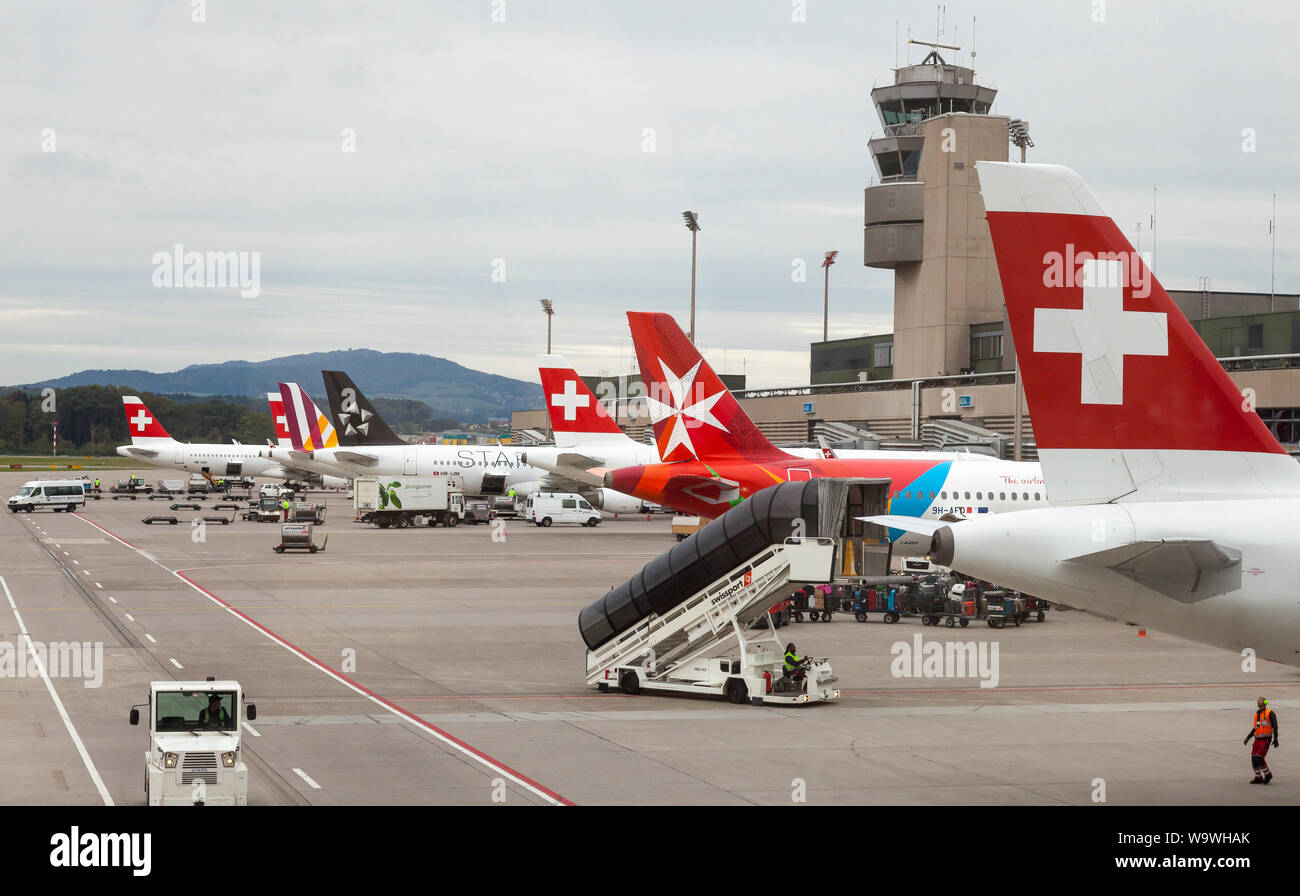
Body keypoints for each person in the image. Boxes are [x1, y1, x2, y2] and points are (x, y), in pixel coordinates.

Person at [1244, 696, 1279, 783]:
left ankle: (1268, 775)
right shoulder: (1257, 714)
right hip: (1257, 739)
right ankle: (1258, 777)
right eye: (1258, 700)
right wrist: (1248, 737)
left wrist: (1276, 738)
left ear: (1265, 702)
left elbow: (1275, 726)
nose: (1258, 701)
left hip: (1266, 739)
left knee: (1259, 757)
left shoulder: (1270, 713)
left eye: (1260, 700)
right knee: (1253, 758)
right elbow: (1256, 727)